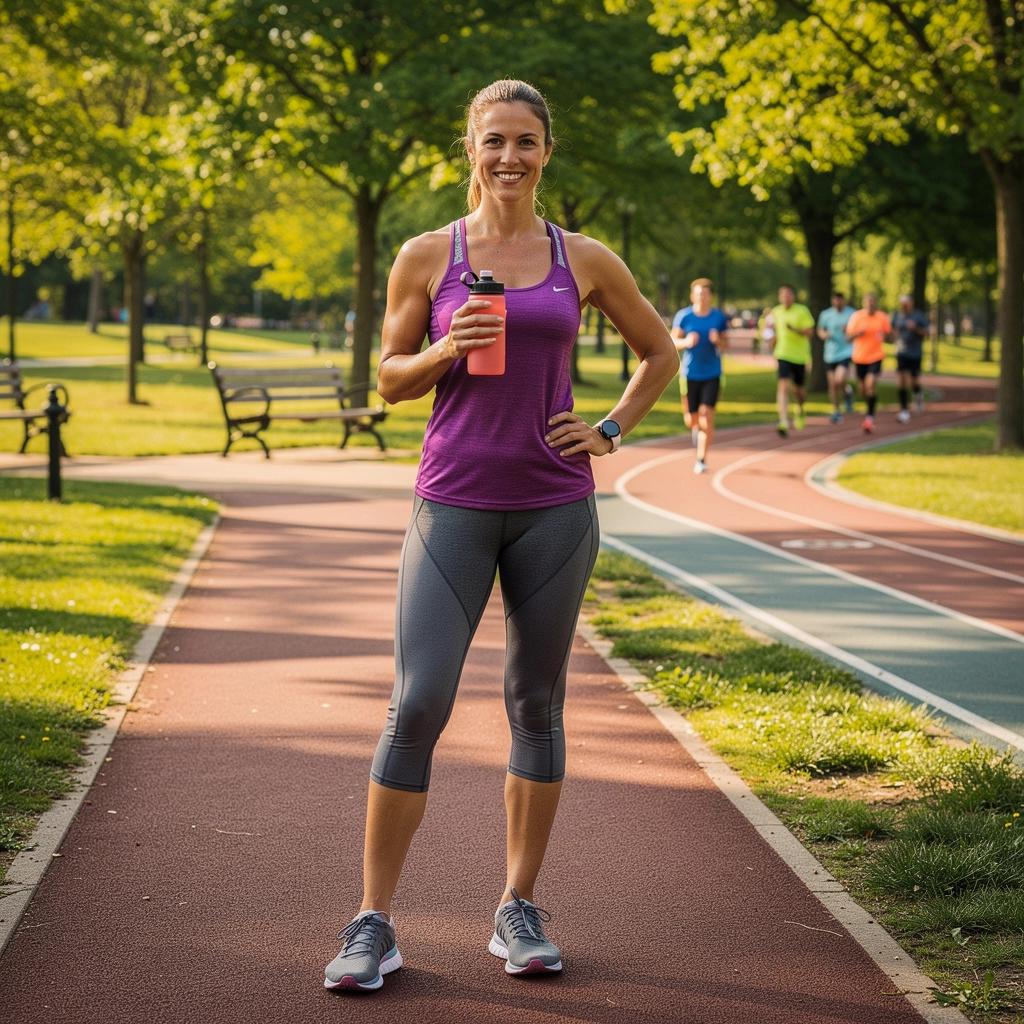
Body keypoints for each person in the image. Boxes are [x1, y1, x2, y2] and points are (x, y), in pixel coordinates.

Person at [323, 79, 678, 992]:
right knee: (418, 704)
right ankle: (373, 924)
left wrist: (610, 430)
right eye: (494, 141)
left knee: (536, 704)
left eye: (526, 141)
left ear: (547, 151)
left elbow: (659, 351)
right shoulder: (424, 256)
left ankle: (517, 906)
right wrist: (448, 349)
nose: (509, 157)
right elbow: (391, 379)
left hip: (556, 506)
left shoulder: (584, 258)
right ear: (470, 150)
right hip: (454, 502)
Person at [670, 278, 729, 474]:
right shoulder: (684, 316)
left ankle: (701, 459)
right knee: (691, 420)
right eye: (698, 294)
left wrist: (717, 340)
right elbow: (672, 342)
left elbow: (726, 345)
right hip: (689, 374)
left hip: (712, 374)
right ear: (692, 296)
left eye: (705, 293)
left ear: (710, 296)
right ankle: (696, 430)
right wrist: (686, 342)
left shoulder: (718, 318)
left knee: (706, 416)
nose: (702, 297)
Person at [769, 284, 815, 437]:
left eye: (788, 294)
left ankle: (800, 409)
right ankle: (783, 421)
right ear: (779, 297)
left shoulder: (802, 311)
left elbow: (810, 332)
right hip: (783, 354)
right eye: (783, 295)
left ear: (793, 296)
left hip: (800, 356)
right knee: (782, 386)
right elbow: (771, 332)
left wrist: (795, 329)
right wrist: (771, 340)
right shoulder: (776, 312)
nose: (786, 297)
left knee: (798, 391)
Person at [846, 292, 892, 433]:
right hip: (860, 357)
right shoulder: (857, 317)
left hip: (876, 356)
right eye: (868, 301)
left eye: (873, 301)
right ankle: (864, 404)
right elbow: (848, 337)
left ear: (876, 303)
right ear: (864, 303)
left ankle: (870, 418)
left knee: (870, 384)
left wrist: (885, 336)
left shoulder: (882, 317)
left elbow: (889, 334)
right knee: (863, 390)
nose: (870, 304)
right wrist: (857, 334)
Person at [816, 291, 855, 424]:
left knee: (839, 379)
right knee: (832, 385)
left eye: (840, 300)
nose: (838, 302)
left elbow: (856, 331)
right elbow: (820, 330)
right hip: (830, 353)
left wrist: (849, 330)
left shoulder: (851, 313)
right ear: (833, 301)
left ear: (843, 301)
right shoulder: (826, 314)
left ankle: (846, 391)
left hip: (845, 351)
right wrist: (824, 335)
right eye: (835, 300)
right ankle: (836, 411)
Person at [892, 294, 929, 422]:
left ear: (911, 303)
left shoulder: (918, 316)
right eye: (903, 303)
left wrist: (916, 328)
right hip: (901, 352)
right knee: (902, 381)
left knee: (914, 381)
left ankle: (918, 394)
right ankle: (904, 410)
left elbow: (926, 332)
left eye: (907, 303)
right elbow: (892, 331)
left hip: (915, 353)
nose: (904, 306)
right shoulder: (897, 316)